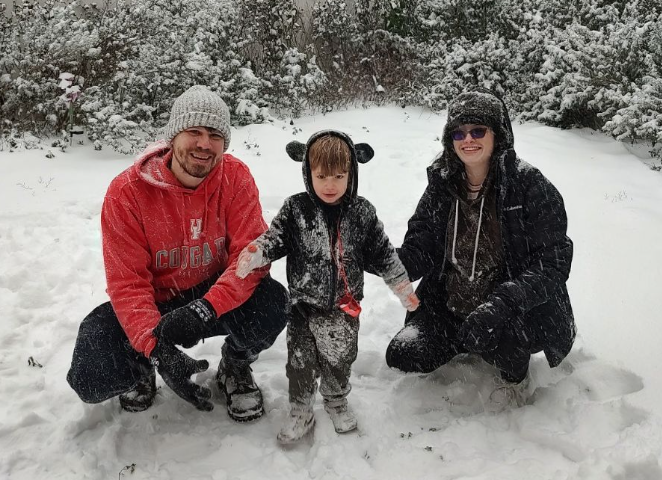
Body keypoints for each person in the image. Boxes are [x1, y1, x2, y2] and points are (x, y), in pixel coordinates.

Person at [67, 85, 289, 421]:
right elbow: (127, 284)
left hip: (213, 294)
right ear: (173, 136)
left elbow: (251, 257)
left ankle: (235, 365)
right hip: (155, 302)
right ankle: (141, 370)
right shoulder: (126, 193)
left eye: (215, 135)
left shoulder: (235, 177)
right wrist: (153, 347)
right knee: (91, 375)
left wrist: (205, 308)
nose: (204, 144)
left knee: (273, 302)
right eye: (194, 132)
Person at [386, 90, 576, 412]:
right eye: (458, 133)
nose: (467, 140)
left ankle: (514, 378)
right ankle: (465, 336)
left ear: (497, 134)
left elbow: (553, 262)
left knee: (508, 341)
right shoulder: (441, 185)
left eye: (478, 131)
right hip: (451, 301)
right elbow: (422, 246)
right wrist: (386, 259)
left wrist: (500, 305)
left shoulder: (528, 185)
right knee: (404, 354)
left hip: (509, 307)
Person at [235, 131, 419, 443]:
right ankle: (301, 408)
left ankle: (336, 400)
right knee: (300, 361)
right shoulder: (296, 209)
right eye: (321, 176)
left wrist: (401, 286)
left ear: (352, 174)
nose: (330, 185)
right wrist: (257, 252)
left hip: (343, 308)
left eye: (339, 176)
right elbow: (275, 238)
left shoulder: (362, 213)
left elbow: (384, 254)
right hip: (303, 307)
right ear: (308, 173)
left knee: (339, 359)